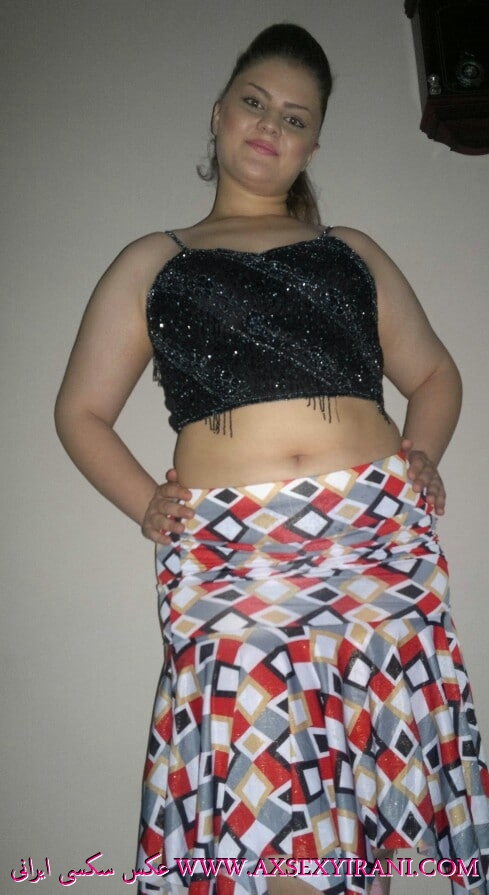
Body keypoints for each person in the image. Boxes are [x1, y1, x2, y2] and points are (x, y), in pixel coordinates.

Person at [54, 22, 489, 895]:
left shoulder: (350, 251)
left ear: (312, 144)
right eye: (254, 103)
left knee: (358, 800)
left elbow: (436, 374)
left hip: (371, 541)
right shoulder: (155, 259)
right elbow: (81, 412)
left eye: (295, 117)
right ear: (219, 113)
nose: (270, 124)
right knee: (267, 811)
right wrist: (145, 501)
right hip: (233, 552)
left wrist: (423, 454)